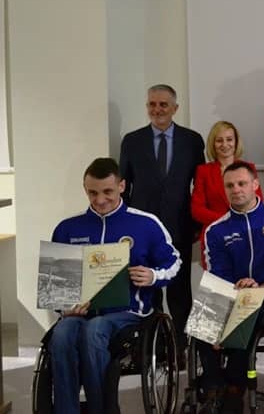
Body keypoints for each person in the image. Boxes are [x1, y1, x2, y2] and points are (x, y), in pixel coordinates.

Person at [49, 157, 181, 414]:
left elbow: (174, 262)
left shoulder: (146, 223)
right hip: (82, 313)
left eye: (107, 191)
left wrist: (153, 276)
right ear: (85, 189)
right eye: (92, 193)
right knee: (62, 332)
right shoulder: (67, 228)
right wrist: (65, 306)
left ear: (122, 186)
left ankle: (101, 409)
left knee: (95, 329)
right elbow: (55, 286)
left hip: (129, 312)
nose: (100, 200)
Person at [196, 161, 264, 413]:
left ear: (255, 184)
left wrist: (260, 289)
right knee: (202, 318)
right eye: (230, 185)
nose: (236, 189)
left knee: (247, 314)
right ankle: (213, 387)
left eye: (242, 183)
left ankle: (234, 388)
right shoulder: (215, 230)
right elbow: (218, 277)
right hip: (232, 295)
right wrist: (238, 289)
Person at [119, 83, 205, 350]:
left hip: (179, 225)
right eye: (152, 104)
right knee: (148, 289)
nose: (157, 110)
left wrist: (197, 224)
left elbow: (199, 186)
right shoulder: (132, 141)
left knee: (180, 291)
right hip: (143, 232)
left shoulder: (192, 140)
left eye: (163, 105)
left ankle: (180, 347)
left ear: (175, 108)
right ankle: (152, 348)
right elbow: (123, 187)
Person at [191, 120, 263, 269]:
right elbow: (197, 210)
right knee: (217, 281)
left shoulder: (248, 168)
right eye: (219, 140)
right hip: (215, 235)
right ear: (213, 144)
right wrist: (226, 221)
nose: (225, 144)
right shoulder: (203, 171)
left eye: (229, 139)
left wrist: (238, 222)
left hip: (246, 233)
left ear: (236, 142)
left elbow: (258, 202)